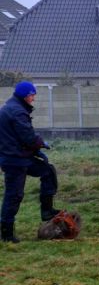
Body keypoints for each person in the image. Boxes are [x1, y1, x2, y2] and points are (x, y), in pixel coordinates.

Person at [0, 82, 61, 243]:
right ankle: (6, 233)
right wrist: (41, 143)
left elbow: (20, 137)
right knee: (13, 196)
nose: (33, 98)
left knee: (47, 171)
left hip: (20, 156)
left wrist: (36, 150)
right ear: (25, 95)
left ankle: (47, 210)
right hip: (15, 160)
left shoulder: (11, 108)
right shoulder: (17, 112)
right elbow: (27, 137)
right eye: (32, 95)